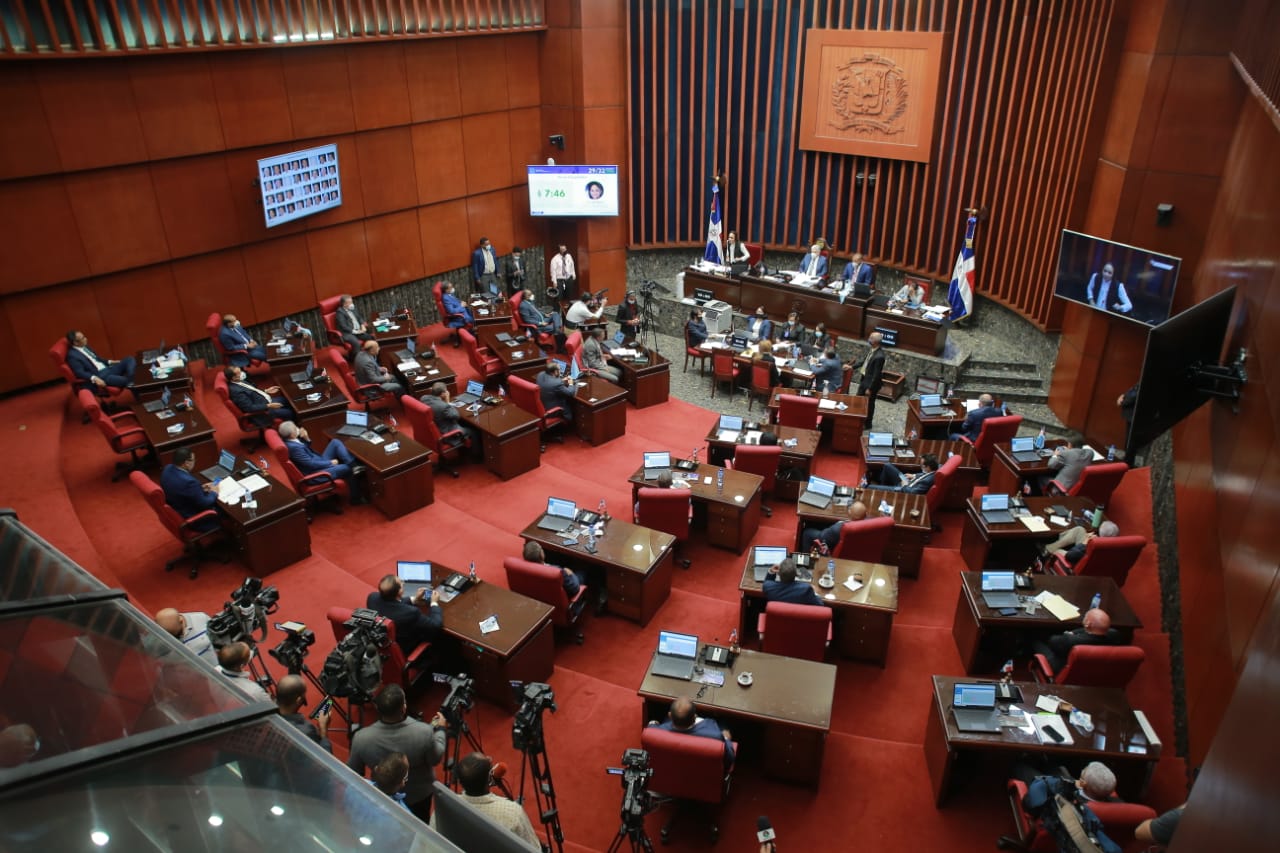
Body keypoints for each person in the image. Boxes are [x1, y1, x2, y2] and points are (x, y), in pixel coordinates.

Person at [347, 684, 447, 821]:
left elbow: (353, 773)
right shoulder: (424, 732)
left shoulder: (361, 738)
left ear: (377, 708)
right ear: (403, 707)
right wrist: (441, 731)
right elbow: (435, 759)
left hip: (382, 798)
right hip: (419, 796)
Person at [441, 751, 540, 846]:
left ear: (460, 782)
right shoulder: (513, 813)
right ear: (489, 779)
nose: (490, 758)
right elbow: (534, 849)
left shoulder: (445, 807)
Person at [278, 420, 365, 504]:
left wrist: (306, 438)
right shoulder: (294, 448)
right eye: (295, 428)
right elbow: (310, 464)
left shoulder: (291, 440)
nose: (298, 428)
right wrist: (330, 463)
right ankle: (355, 499)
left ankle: (354, 466)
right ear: (292, 434)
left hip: (318, 461)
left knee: (335, 442)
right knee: (346, 468)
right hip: (315, 473)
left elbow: (306, 450)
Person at [365, 573, 444, 654]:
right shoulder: (411, 612)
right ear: (400, 591)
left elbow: (393, 604)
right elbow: (436, 625)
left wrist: (415, 599)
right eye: (401, 583)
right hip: (405, 647)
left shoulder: (372, 597)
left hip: (382, 642)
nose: (403, 583)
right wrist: (434, 603)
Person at [650, 696, 735, 767]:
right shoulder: (715, 737)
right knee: (723, 722)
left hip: (670, 772)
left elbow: (652, 725)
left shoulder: (654, 733)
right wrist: (726, 738)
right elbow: (729, 759)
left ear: (670, 716)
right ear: (695, 718)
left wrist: (653, 722)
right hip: (703, 777)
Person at [1032, 608, 1122, 673]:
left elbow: (1052, 641)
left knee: (1034, 640)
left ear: (1088, 624)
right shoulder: (1114, 635)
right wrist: (1073, 634)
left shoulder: (1069, 641)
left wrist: (1067, 635)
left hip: (1062, 666)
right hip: (1093, 671)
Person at [159, 447, 221, 533]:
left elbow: (182, 490)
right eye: (194, 460)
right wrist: (214, 492)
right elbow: (205, 503)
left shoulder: (167, 468)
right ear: (186, 463)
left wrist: (199, 488)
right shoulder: (189, 482)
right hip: (193, 516)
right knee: (225, 508)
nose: (195, 462)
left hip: (177, 507)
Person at [275, 674, 331, 753]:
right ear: (299, 700)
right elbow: (325, 759)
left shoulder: (264, 714)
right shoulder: (306, 731)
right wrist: (323, 728)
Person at [420, 382, 481, 454]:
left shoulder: (423, 398)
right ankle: (477, 456)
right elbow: (456, 416)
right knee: (475, 431)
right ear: (443, 393)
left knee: (464, 422)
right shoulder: (443, 406)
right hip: (447, 432)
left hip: (436, 426)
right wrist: (447, 401)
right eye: (446, 391)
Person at [65, 330, 136, 390]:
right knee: (126, 381)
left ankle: (131, 377)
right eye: (83, 338)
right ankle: (132, 380)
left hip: (108, 368)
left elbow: (97, 358)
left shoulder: (85, 346)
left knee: (129, 359)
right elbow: (79, 372)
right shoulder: (72, 356)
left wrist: (110, 362)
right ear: (75, 342)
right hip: (100, 375)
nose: (86, 338)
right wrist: (95, 378)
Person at [225, 365, 295, 427]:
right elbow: (249, 408)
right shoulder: (236, 392)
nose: (242, 373)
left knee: (288, 400)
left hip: (264, 402)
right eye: (239, 373)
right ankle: (292, 432)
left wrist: (266, 391)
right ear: (233, 378)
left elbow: (252, 391)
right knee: (289, 412)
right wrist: (268, 406)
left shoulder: (239, 381)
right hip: (261, 412)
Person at [1043, 519, 1121, 569]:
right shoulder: (1116, 546)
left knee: (1056, 550)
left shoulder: (1094, 546)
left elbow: (1070, 556)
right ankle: (1051, 545)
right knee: (1079, 530)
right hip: (1083, 553)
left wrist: (1085, 542)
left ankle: (1047, 549)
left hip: (1076, 559)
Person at [523, 540, 587, 600]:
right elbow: (574, 588)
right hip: (566, 591)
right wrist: (571, 574)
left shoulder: (523, 570)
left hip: (542, 594)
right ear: (541, 555)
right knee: (582, 568)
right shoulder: (557, 572)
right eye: (541, 548)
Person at [800, 500, 868, 553]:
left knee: (807, 532)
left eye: (850, 509)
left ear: (849, 513)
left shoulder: (838, 529)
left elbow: (823, 536)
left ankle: (805, 562)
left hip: (831, 542)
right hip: (853, 548)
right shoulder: (869, 525)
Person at [856, 332, 886, 428]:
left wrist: (870, 388)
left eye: (871, 337)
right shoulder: (873, 350)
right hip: (865, 379)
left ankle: (868, 424)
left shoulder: (880, 356)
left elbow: (876, 375)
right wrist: (851, 367)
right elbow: (864, 362)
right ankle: (858, 418)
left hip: (871, 384)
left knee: (869, 404)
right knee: (859, 400)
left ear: (875, 341)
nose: (869, 338)